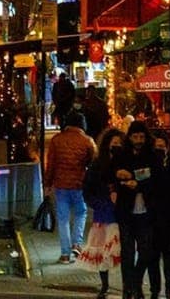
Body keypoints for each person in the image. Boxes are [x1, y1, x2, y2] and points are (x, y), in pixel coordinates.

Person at [114, 120, 162, 299]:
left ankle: (136, 281)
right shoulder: (122, 156)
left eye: (142, 136)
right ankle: (129, 287)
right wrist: (120, 176)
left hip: (146, 212)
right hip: (126, 211)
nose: (139, 140)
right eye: (135, 137)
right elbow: (110, 175)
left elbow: (158, 180)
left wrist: (139, 184)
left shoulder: (153, 156)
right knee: (127, 252)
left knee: (146, 251)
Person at [44, 109, 96, 264]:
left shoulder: (56, 140)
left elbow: (51, 165)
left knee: (63, 218)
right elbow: (92, 162)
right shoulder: (87, 141)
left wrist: (47, 184)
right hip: (79, 184)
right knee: (81, 212)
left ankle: (65, 254)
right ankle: (77, 243)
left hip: (60, 185)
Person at [79, 128, 125, 299]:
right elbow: (88, 189)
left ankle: (128, 284)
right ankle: (104, 285)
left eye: (120, 144)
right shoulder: (98, 165)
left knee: (123, 250)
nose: (117, 147)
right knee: (102, 251)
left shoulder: (127, 162)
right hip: (104, 213)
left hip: (122, 213)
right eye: (114, 144)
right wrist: (97, 204)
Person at [146, 132, 170, 299]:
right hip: (152, 216)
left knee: (169, 255)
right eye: (157, 147)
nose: (160, 149)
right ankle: (154, 289)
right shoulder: (150, 163)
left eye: (162, 147)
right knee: (153, 256)